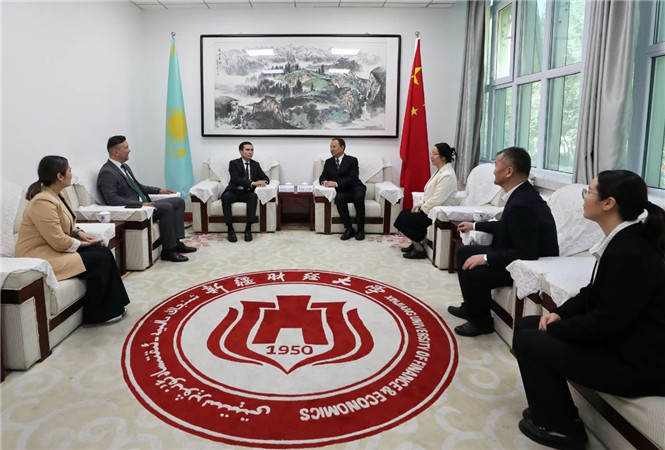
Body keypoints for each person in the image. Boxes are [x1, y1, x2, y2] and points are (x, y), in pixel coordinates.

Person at [513, 170, 665, 450]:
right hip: (621, 344)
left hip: (635, 365)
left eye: (589, 192)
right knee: (527, 326)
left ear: (608, 203)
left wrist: (557, 328)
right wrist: (561, 313)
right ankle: (559, 412)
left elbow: (606, 323)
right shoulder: (624, 239)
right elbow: (592, 292)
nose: (584, 198)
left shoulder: (631, 252)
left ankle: (563, 430)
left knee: (529, 338)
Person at [448, 146, 559, 337]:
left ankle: (481, 322)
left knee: (474, 269)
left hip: (527, 264)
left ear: (509, 171)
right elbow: (506, 225)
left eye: (496, 165)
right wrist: (475, 225)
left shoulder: (522, 203)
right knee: (464, 252)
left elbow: (527, 253)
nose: (493, 170)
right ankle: (470, 307)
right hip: (514, 251)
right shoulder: (521, 194)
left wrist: (485, 258)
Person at [15, 156, 130, 324]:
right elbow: (58, 240)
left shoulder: (57, 195)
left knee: (103, 251)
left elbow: (65, 223)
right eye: (69, 171)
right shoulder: (42, 201)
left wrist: (80, 233)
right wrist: (84, 244)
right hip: (40, 255)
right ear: (59, 176)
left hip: (53, 248)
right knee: (98, 259)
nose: (71, 174)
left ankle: (116, 305)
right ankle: (97, 314)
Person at [97, 135, 196, 263]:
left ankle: (176, 243)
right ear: (116, 152)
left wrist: (158, 190)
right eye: (126, 148)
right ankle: (168, 250)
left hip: (144, 204)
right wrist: (140, 204)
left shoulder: (124, 167)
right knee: (167, 207)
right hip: (135, 209)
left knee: (179, 201)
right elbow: (113, 200)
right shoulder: (107, 172)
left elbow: (137, 186)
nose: (129, 150)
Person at [394, 142, 458, 259]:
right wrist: (420, 204)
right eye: (431, 153)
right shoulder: (439, 171)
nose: (431, 156)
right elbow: (429, 193)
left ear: (443, 157)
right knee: (403, 214)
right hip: (429, 209)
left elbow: (438, 199)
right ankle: (415, 243)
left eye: (434, 154)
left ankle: (419, 249)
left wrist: (422, 208)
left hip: (436, 212)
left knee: (405, 219)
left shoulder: (447, 175)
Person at [221, 141, 270, 243]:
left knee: (253, 197)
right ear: (241, 151)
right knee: (226, 196)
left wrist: (264, 182)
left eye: (252, 150)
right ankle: (230, 229)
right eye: (247, 150)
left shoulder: (255, 164)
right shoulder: (233, 163)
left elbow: (265, 177)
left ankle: (248, 229)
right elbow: (236, 179)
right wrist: (253, 183)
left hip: (247, 193)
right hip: (234, 191)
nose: (250, 152)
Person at [319, 137, 366, 241]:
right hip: (343, 191)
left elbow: (352, 178)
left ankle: (361, 230)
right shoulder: (328, 162)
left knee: (359, 198)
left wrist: (335, 183)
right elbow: (323, 176)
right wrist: (324, 182)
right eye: (330, 147)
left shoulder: (352, 160)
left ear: (342, 148)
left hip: (355, 188)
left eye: (334, 147)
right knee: (339, 198)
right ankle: (349, 229)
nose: (331, 149)